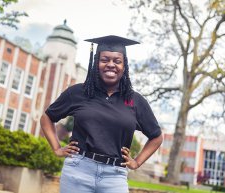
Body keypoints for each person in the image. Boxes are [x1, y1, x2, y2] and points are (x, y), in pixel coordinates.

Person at [40, 35, 163, 193]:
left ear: (124, 66)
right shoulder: (79, 92)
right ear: (96, 63)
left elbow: (156, 136)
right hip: (78, 170)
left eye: (117, 61)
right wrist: (57, 148)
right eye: (105, 60)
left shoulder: (135, 101)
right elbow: (47, 118)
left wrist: (137, 162)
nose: (111, 64)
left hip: (115, 176)